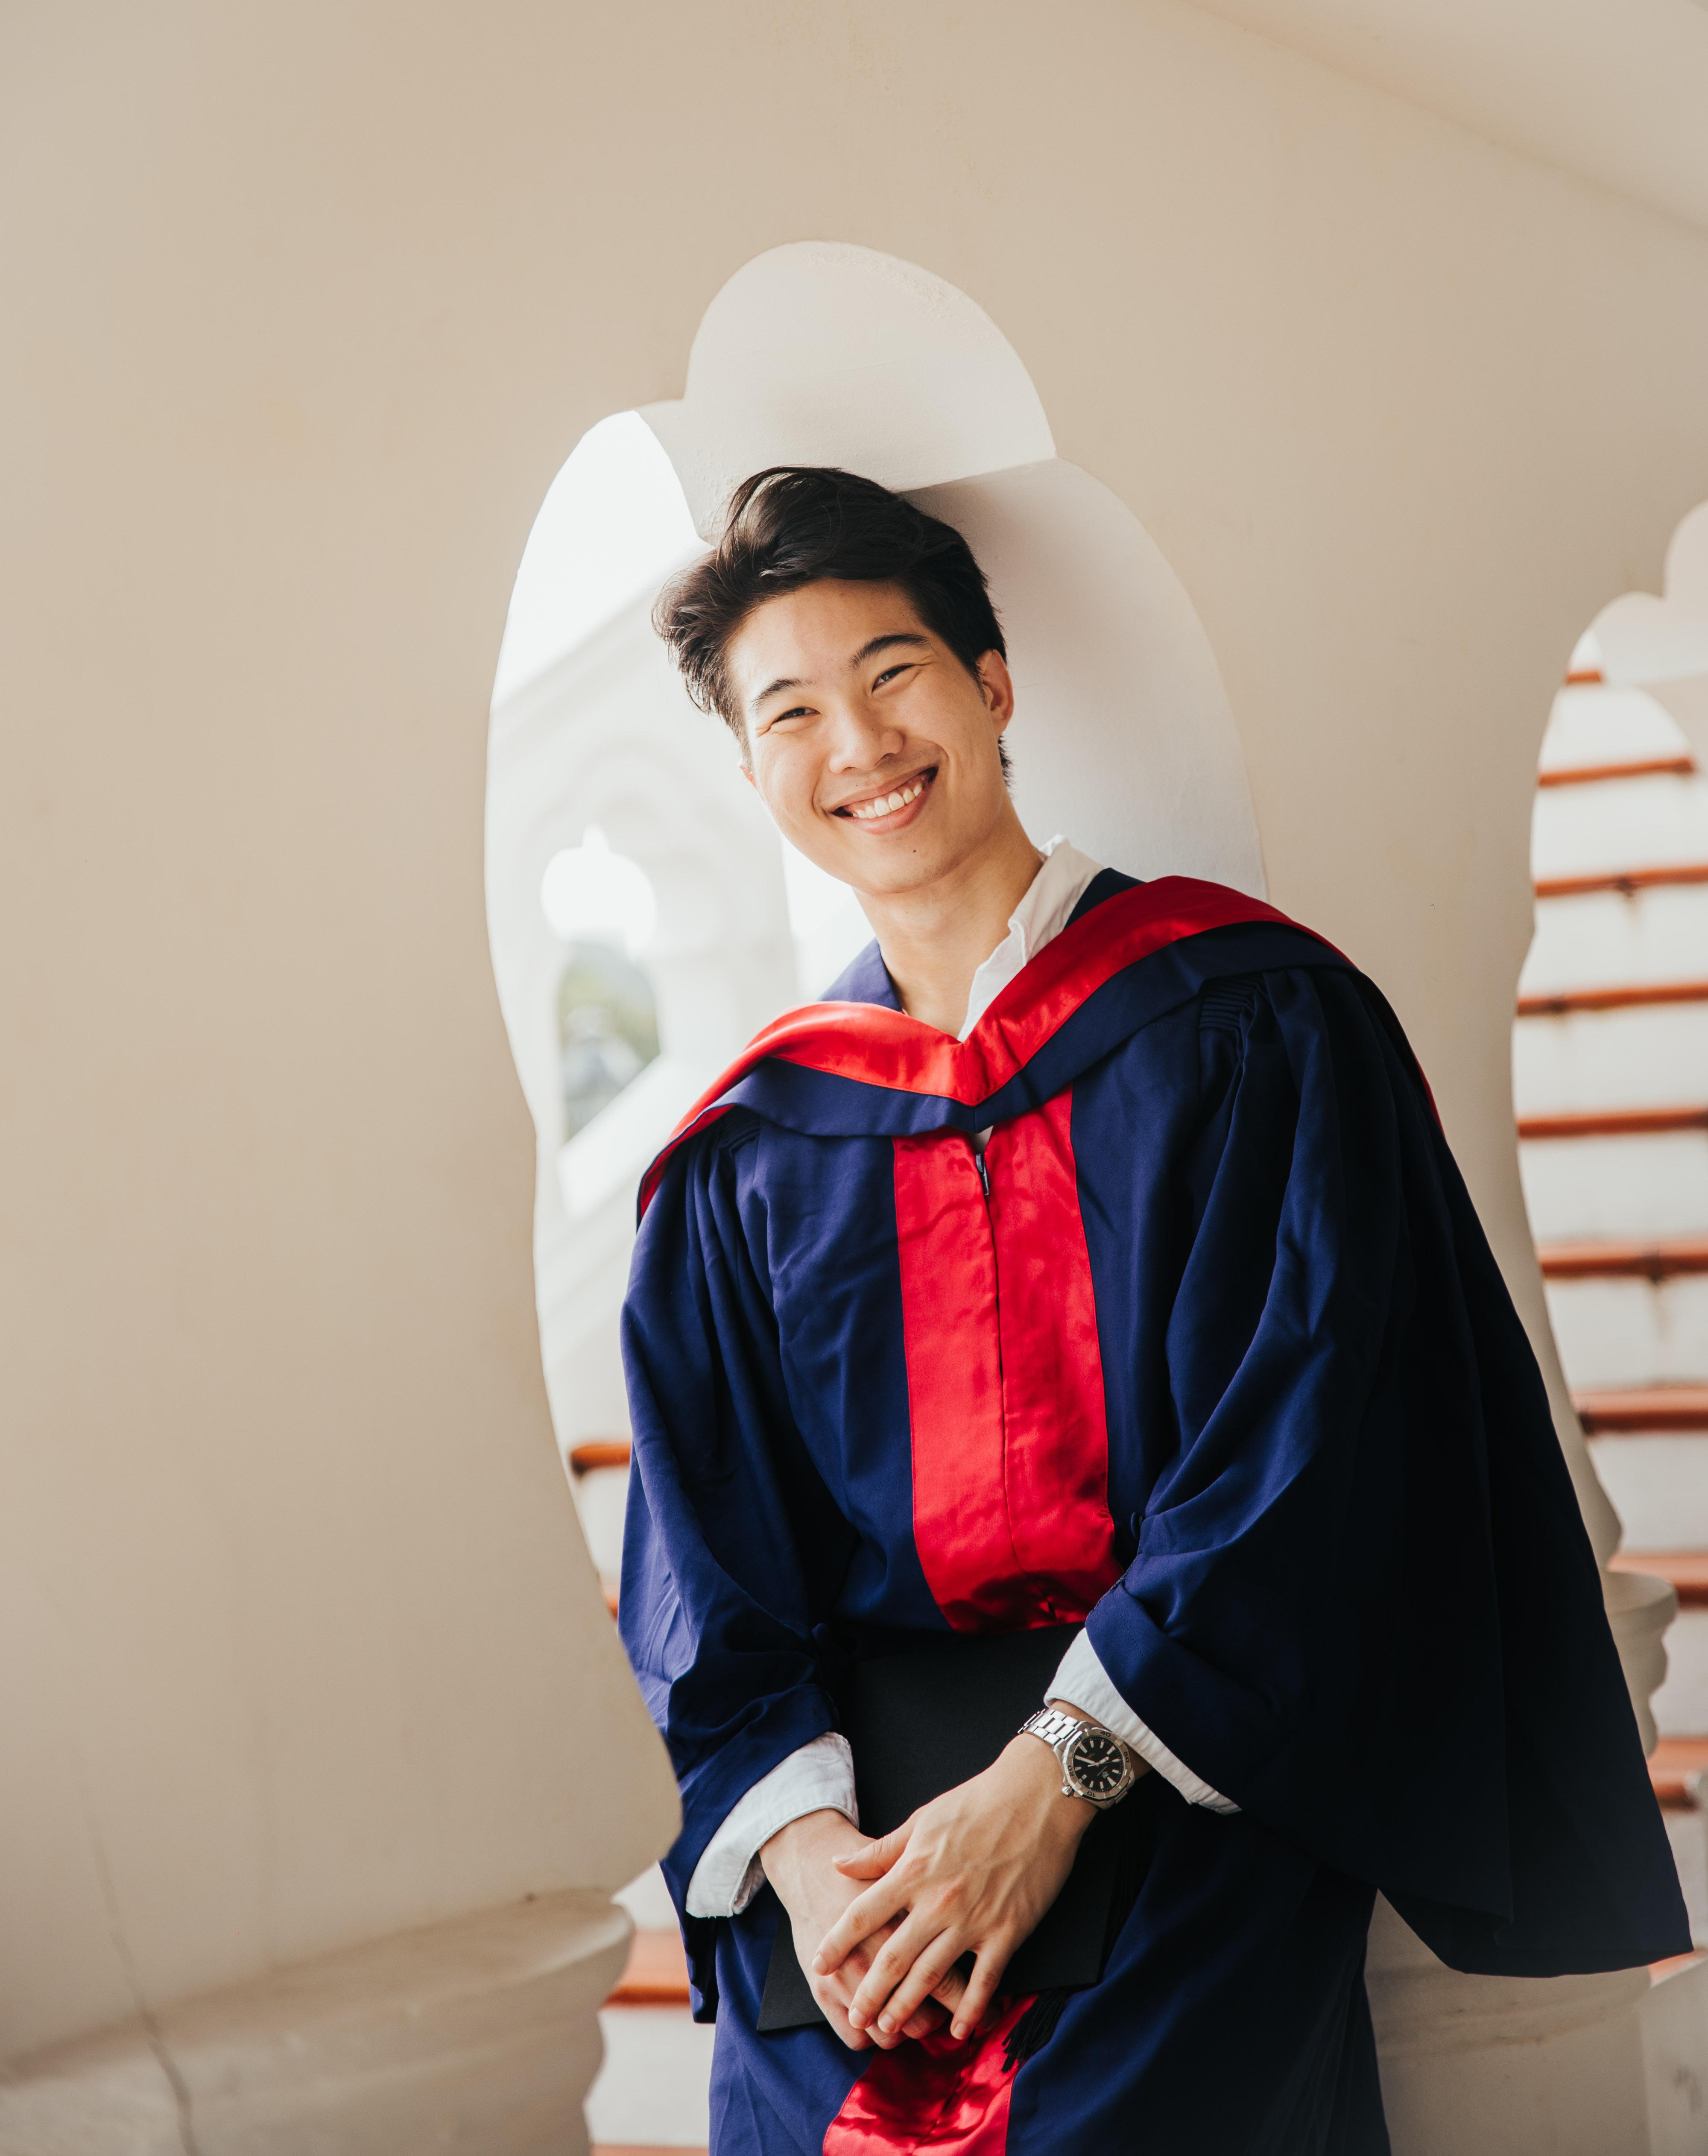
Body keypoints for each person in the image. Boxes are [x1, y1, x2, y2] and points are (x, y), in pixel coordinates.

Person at [617, 466, 1686, 2156]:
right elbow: (705, 1570)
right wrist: (814, 1865)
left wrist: (1057, 1782)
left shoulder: (1248, 1025)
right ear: (753, 771)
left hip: (1172, 1791)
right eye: (793, 712)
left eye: (894, 673)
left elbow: (1308, 1454)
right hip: (858, 1888)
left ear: (992, 685)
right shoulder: (752, 1154)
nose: (860, 745)